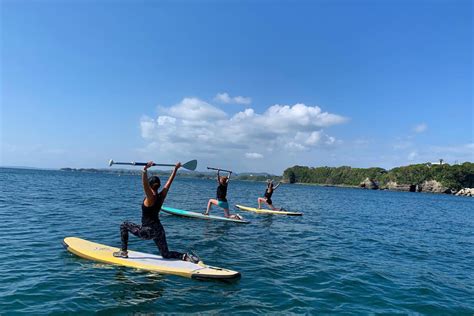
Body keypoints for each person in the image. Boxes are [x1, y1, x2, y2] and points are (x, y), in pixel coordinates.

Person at [113, 161, 199, 263]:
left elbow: (144, 185)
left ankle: (123, 252)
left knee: (124, 225)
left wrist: (144, 170)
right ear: (158, 186)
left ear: (150, 186)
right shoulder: (161, 196)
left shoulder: (150, 197)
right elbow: (169, 183)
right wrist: (175, 169)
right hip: (159, 230)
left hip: (148, 231)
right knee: (165, 254)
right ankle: (185, 256)